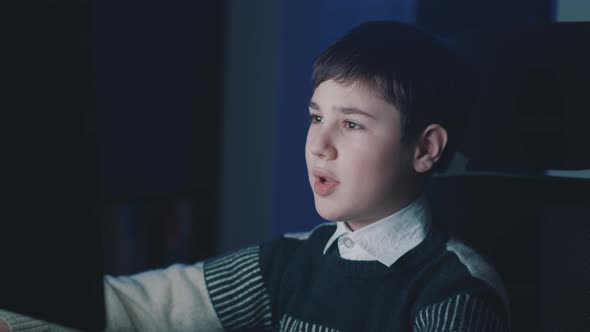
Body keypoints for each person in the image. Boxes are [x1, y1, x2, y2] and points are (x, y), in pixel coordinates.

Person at [0, 21, 510, 331]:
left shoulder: (454, 292)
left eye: (351, 124)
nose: (318, 144)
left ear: (424, 148)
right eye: (316, 117)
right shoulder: (291, 262)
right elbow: (148, 307)